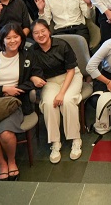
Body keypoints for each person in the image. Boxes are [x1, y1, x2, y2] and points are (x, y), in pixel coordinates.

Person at [0, 23, 41, 181]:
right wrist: (3, 89)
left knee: (6, 134)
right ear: (2, 40)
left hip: (13, 102)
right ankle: (2, 164)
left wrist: (17, 88)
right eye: (8, 38)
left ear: (21, 38)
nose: (12, 41)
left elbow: (37, 78)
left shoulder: (27, 56)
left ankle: (12, 162)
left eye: (16, 37)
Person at [29, 20, 84, 163]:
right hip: (49, 81)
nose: (40, 35)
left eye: (43, 31)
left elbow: (71, 70)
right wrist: (34, 78)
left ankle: (75, 139)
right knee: (48, 103)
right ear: (32, 36)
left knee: (67, 101)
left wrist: (61, 93)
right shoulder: (31, 51)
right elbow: (28, 72)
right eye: (36, 33)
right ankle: (55, 142)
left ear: (49, 31)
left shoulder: (62, 45)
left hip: (70, 76)